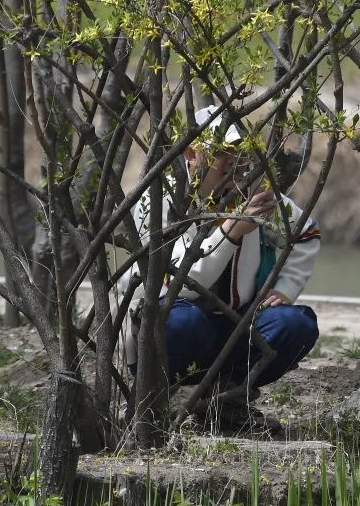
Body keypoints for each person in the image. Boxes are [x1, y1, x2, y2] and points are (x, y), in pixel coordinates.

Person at [120, 105, 320, 429]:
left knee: (295, 324)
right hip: (168, 334)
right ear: (191, 154)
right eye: (224, 160)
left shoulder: (252, 192)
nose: (235, 171)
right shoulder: (155, 201)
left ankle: (227, 399)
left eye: (241, 160)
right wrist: (230, 233)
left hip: (234, 327)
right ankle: (153, 401)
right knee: (183, 321)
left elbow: (307, 232)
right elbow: (176, 285)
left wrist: (286, 287)